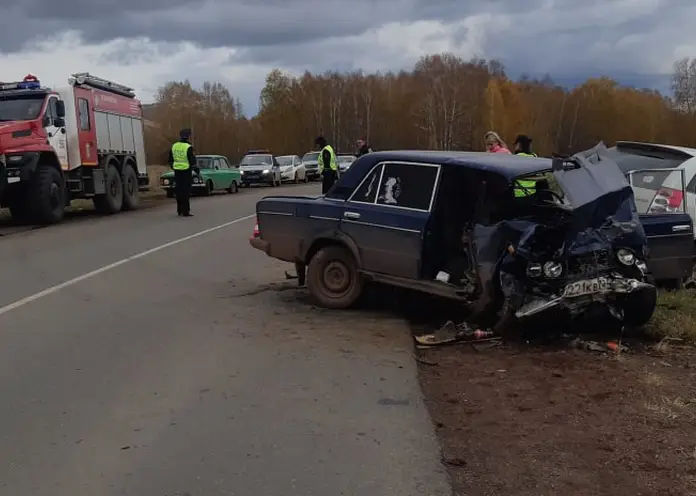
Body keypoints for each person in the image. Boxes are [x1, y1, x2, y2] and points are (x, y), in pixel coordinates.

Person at [167, 128, 198, 217]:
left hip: (177, 171)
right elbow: (192, 160)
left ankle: (179, 210)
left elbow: (170, 159)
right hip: (186, 171)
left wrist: (173, 166)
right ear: (188, 136)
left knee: (179, 190)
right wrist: (197, 170)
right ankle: (186, 211)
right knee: (186, 191)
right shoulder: (188, 147)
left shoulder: (174, 146)